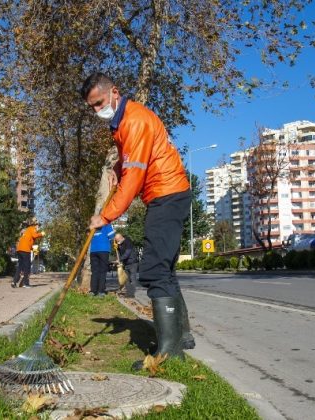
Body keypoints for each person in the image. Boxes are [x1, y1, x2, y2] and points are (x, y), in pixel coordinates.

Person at [81, 72, 195, 366]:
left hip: (166, 194)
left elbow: (133, 179)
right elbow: (129, 163)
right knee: (165, 269)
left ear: (114, 92)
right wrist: (117, 165)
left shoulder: (134, 120)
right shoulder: (122, 123)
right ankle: (182, 336)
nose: (97, 111)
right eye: (91, 107)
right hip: (167, 193)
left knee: (154, 270)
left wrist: (104, 216)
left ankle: (168, 353)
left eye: (99, 103)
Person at [14, 218, 44, 288]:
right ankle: (25, 283)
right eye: (38, 226)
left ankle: (14, 282)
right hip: (25, 250)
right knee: (27, 267)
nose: (38, 228)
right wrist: (41, 234)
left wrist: (33, 249)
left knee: (20, 266)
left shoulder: (26, 230)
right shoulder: (32, 228)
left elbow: (29, 240)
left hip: (19, 249)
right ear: (35, 225)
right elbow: (35, 235)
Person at [89, 223, 116, 297]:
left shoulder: (93, 224)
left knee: (94, 271)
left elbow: (88, 235)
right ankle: (101, 291)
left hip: (93, 250)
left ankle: (93, 291)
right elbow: (111, 236)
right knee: (103, 271)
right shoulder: (107, 224)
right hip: (104, 250)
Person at [114, 233, 139, 298]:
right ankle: (129, 293)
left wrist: (120, 259)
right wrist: (118, 259)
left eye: (118, 240)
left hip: (132, 262)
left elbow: (127, 253)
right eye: (116, 241)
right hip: (125, 263)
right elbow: (119, 253)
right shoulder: (119, 244)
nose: (117, 242)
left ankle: (132, 293)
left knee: (132, 278)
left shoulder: (128, 242)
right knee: (126, 279)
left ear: (121, 237)